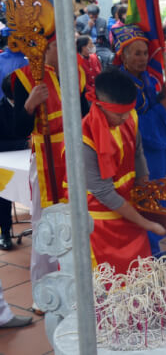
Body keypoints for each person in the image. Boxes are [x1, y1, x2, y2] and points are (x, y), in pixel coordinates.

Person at [12, 36, 89, 289]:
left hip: (76, 153)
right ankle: (44, 288)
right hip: (46, 157)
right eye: (59, 44)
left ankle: (78, 281)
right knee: (44, 221)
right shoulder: (22, 78)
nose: (66, 49)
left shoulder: (77, 72)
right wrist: (29, 105)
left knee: (80, 216)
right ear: (43, 47)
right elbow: (14, 128)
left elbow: (86, 114)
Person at [81, 69, 166, 273]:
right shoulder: (84, 139)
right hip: (101, 224)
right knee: (108, 288)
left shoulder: (129, 118)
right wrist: (147, 223)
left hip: (130, 211)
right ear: (100, 105)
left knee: (138, 281)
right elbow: (104, 193)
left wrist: (146, 194)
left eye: (129, 111)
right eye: (119, 114)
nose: (125, 118)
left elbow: (137, 154)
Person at [113, 24, 166, 181]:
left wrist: (161, 97)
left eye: (146, 53)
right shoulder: (119, 84)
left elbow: (150, 106)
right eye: (137, 54)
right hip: (139, 152)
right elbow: (129, 124)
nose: (143, 58)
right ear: (124, 57)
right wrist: (161, 108)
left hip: (156, 147)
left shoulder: (146, 77)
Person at [0, 75, 29, 251]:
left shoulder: (32, 106)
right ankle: (5, 231)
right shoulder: (1, 110)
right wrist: (24, 144)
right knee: (3, 190)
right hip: (8, 161)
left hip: (33, 157)